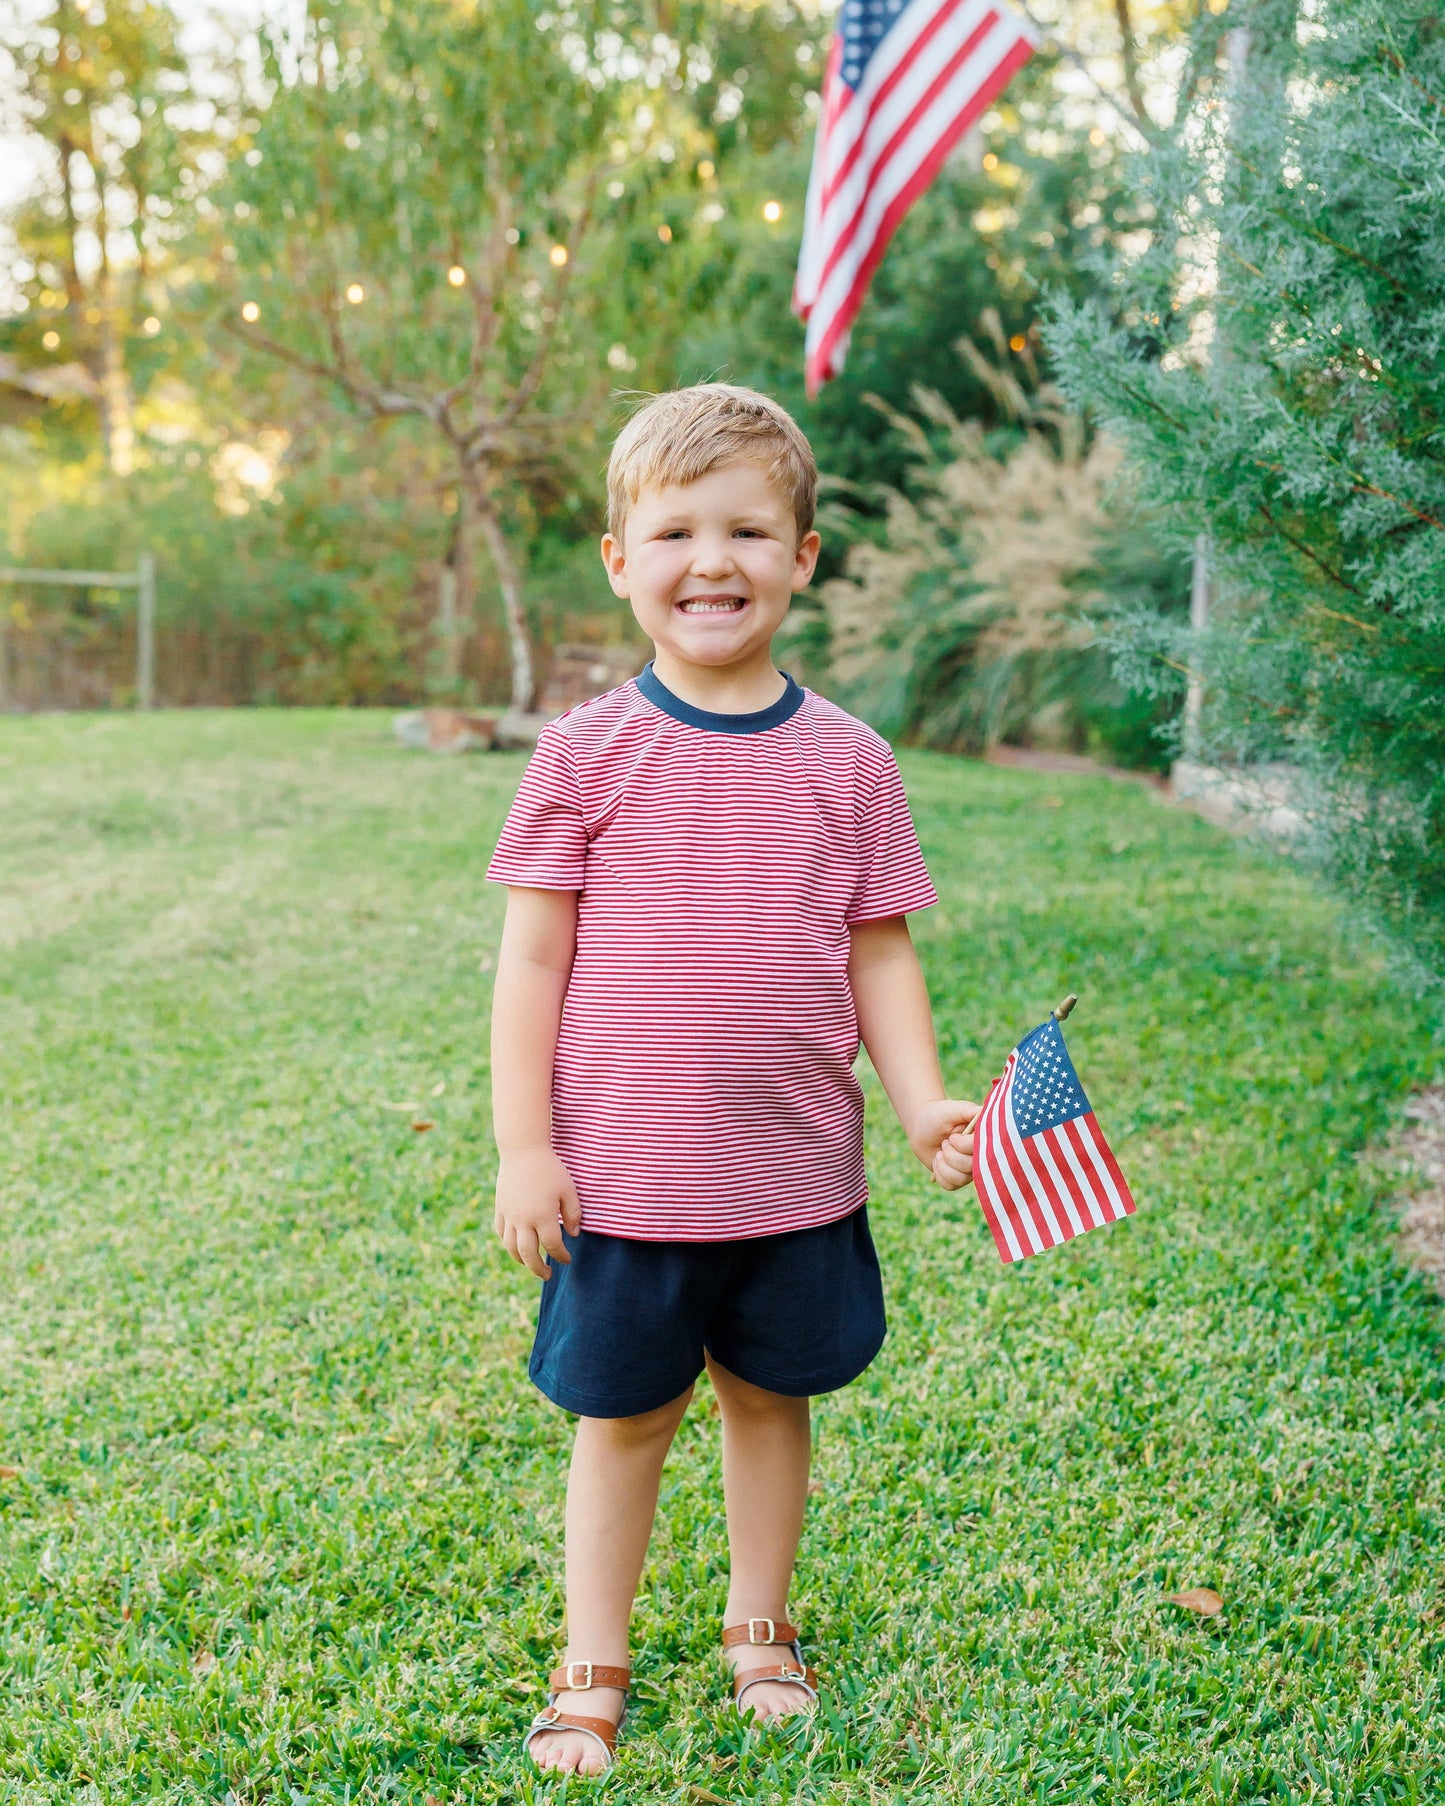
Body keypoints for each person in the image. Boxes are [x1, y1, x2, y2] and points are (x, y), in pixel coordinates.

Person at [487, 383, 979, 1776]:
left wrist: (921, 1099)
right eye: (678, 530)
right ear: (619, 557)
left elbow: (877, 955)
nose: (714, 561)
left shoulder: (849, 763)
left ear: (803, 555)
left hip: (791, 1170)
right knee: (625, 1416)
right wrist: (525, 1145)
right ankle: (594, 1659)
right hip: (628, 1171)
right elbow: (530, 964)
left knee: (771, 1400)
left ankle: (758, 1624)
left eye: (751, 529)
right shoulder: (585, 751)